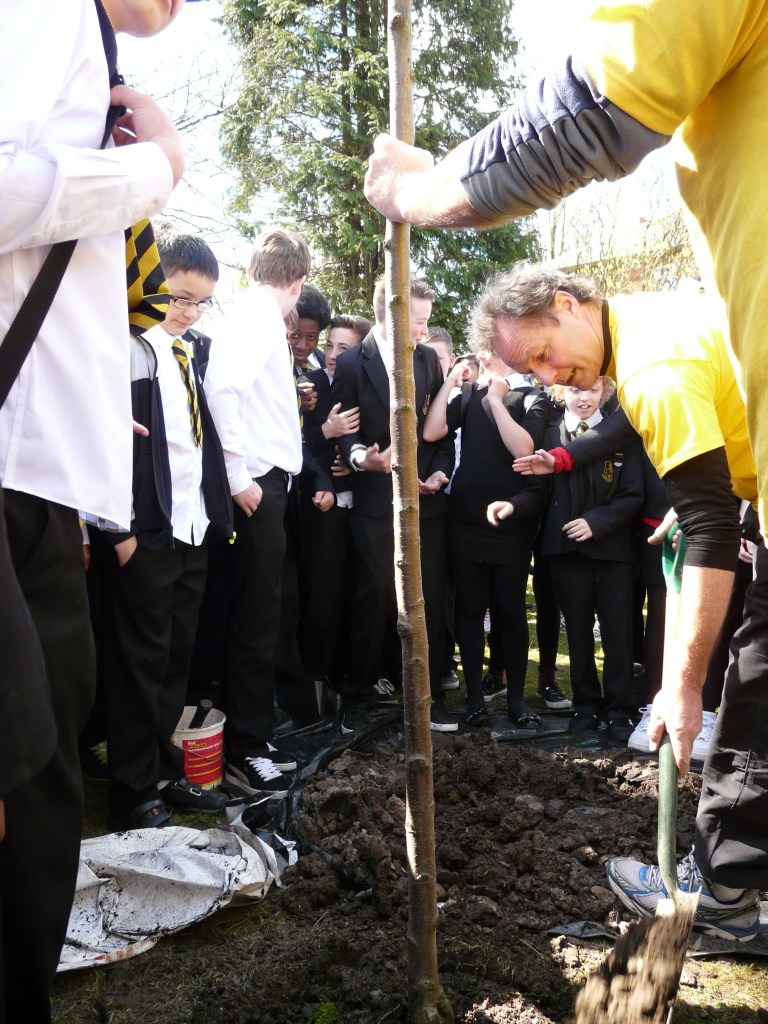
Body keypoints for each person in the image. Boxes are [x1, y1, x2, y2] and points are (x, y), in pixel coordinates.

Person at [471, 265, 761, 939]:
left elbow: (710, 526)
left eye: (544, 354)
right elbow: (634, 436)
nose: (547, 377)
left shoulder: (652, 363)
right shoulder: (640, 327)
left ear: (568, 305)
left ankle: (723, 895)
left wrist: (682, 686)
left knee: (751, 694)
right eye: (530, 371)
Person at [0, 0, 186, 1019]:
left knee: (42, 794)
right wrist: (155, 170)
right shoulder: (44, 11)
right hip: (14, 487)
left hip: (37, 495)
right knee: (23, 802)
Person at [101, 231, 232, 830]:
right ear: (155, 287)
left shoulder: (192, 353)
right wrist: (119, 531)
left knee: (177, 657)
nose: (187, 311)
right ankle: (130, 791)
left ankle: (160, 773)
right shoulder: (127, 350)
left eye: (200, 302)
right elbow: (108, 446)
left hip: (191, 528)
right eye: (178, 297)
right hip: (145, 534)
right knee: (140, 662)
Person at [203, 228, 311, 797]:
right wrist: (240, 477)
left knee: (261, 612)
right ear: (298, 282)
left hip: (268, 484)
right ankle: (245, 750)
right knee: (253, 617)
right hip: (257, 487)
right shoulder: (261, 317)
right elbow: (221, 390)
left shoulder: (253, 312)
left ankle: (252, 734)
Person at [331, 278, 456, 732]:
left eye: (425, 321)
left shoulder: (426, 360)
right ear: (392, 312)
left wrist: (439, 472)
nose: (424, 331)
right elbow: (345, 432)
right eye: (418, 321)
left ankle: (428, 697)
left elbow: (439, 430)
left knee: (428, 596)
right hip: (375, 502)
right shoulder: (351, 362)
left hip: (426, 505)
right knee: (375, 594)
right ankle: (359, 694)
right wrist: (365, 459)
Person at [424, 348, 550, 728]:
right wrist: (450, 382)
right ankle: (474, 699)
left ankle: (514, 698)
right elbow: (432, 431)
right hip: (465, 519)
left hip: (510, 521)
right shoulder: (469, 396)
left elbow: (523, 448)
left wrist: (496, 399)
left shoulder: (533, 397)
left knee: (509, 609)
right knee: (470, 608)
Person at [533, 378, 644, 742]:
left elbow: (633, 494)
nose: (584, 398)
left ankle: (619, 709)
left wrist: (596, 522)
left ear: (605, 393)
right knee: (577, 631)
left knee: (618, 632)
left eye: (593, 391)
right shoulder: (548, 435)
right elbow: (537, 491)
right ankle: (585, 705)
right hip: (565, 551)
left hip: (613, 551)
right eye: (577, 391)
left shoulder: (622, 436)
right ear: (561, 392)